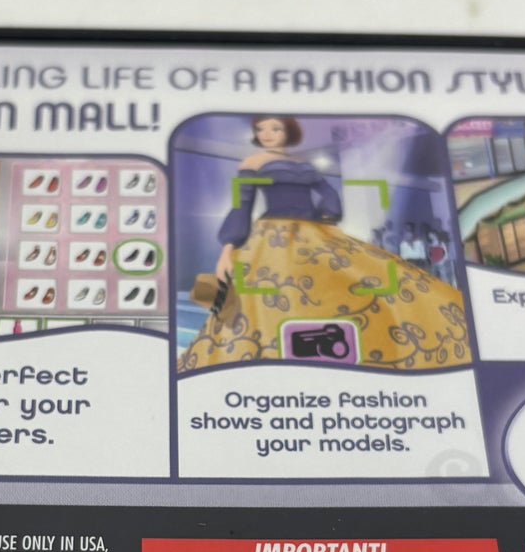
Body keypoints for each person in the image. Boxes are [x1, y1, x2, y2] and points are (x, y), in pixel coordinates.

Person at [179, 116, 471, 372]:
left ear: (287, 132)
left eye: (274, 128)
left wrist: (328, 215)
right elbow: (242, 204)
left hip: (313, 230)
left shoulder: (303, 165)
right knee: (275, 295)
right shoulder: (253, 162)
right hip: (275, 234)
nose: (267, 134)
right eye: (261, 129)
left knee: (356, 279)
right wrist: (228, 247)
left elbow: (329, 194)